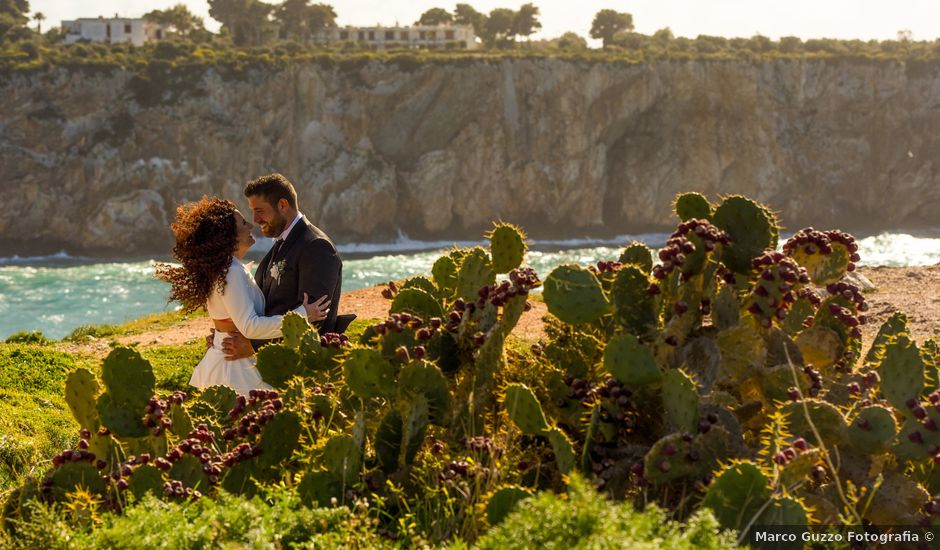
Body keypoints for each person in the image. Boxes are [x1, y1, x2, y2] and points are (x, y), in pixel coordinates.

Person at [156, 197, 330, 395]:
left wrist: (220, 334)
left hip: (229, 358)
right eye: (243, 223)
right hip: (235, 369)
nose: (250, 225)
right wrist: (303, 315)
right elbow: (250, 326)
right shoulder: (232, 272)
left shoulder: (227, 270)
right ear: (228, 236)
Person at [219, 173, 349, 362]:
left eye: (260, 211)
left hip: (302, 364)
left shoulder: (316, 246)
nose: (255, 219)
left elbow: (316, 319)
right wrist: (226, 335)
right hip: (276, 363)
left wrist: (254, 345)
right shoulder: (280, 244)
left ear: (282, 205)